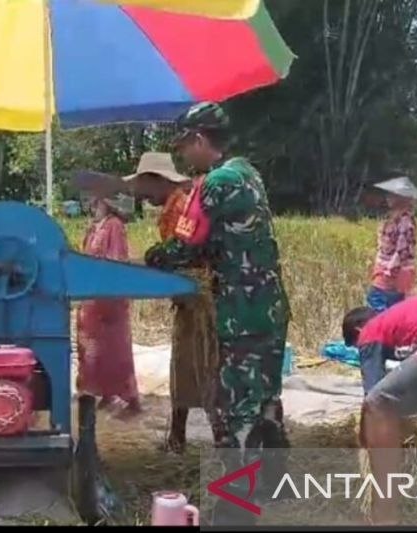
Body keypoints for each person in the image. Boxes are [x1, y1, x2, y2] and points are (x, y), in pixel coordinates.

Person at [144, 103, 291, 524]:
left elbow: (188, 245)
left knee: (235, 413)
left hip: (241, 313)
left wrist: (156, 256)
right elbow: (221, 241)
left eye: (185, 148)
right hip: (270, 306)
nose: (184, 157)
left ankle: (235, 512)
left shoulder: (215, 183)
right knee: (265, 400)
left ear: (200, 140)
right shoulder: (248, 173)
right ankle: (276, 486)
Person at [123, 151, 220, 452]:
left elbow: (186, 253)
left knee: (206, 370)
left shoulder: (183, 205)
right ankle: (177, 438)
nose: (139, 192)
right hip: (187, 300)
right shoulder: (172, 206)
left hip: (200, 298)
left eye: (142, 184)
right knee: (183, 366)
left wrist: (147, 262)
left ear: (157, 181)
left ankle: (221, 444)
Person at [342, 296, 417, 525]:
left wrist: (364, 438)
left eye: (355, 343)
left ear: (357, 329)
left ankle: (384, 514)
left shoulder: (371, 330)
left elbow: (373, 399)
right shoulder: (410, 328)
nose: (361, 348)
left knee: (377, 404)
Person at [76, 193, 141, 420]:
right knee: (91, 347)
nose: (92, 204)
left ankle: (128, 397)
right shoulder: (94, 227)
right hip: (91, 296)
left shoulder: (114, 226)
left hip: (108, 296)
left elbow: (116, 259)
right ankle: (101, 392)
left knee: (115, 348)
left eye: (96, 200)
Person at [366, 177, 417, 313]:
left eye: (392, 195)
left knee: (376, 299)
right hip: (387, 267)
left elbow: (402, 249)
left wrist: (389, 269)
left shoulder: (405, 221)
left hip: (393, 270)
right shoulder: (394, 218)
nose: (388, 198)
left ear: (401, 198)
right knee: (393, 305)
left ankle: (382, 332)